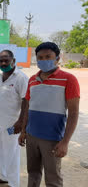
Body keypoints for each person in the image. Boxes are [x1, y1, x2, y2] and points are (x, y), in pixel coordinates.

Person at [18, 42, 80, 187]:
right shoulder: (32, 79)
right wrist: (23, 131)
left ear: (57, 58)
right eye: (40, 58)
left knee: (53, 179)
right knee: (33, 173)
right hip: (32, 136)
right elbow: (28, 106)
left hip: (52, 139)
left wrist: (65, 142)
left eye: (48, 57)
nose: (44, 60)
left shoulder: (68, 79)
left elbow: (74, 112)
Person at [0, 50, 28, 187]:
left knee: (12, 155)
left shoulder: (21, 77)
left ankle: (14, 184)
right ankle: (3, 176)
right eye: (1, 61)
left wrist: (20, 122)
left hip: (11, 126)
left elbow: (26, 101)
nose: (3, 63)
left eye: (6, 60)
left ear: (13, 61)